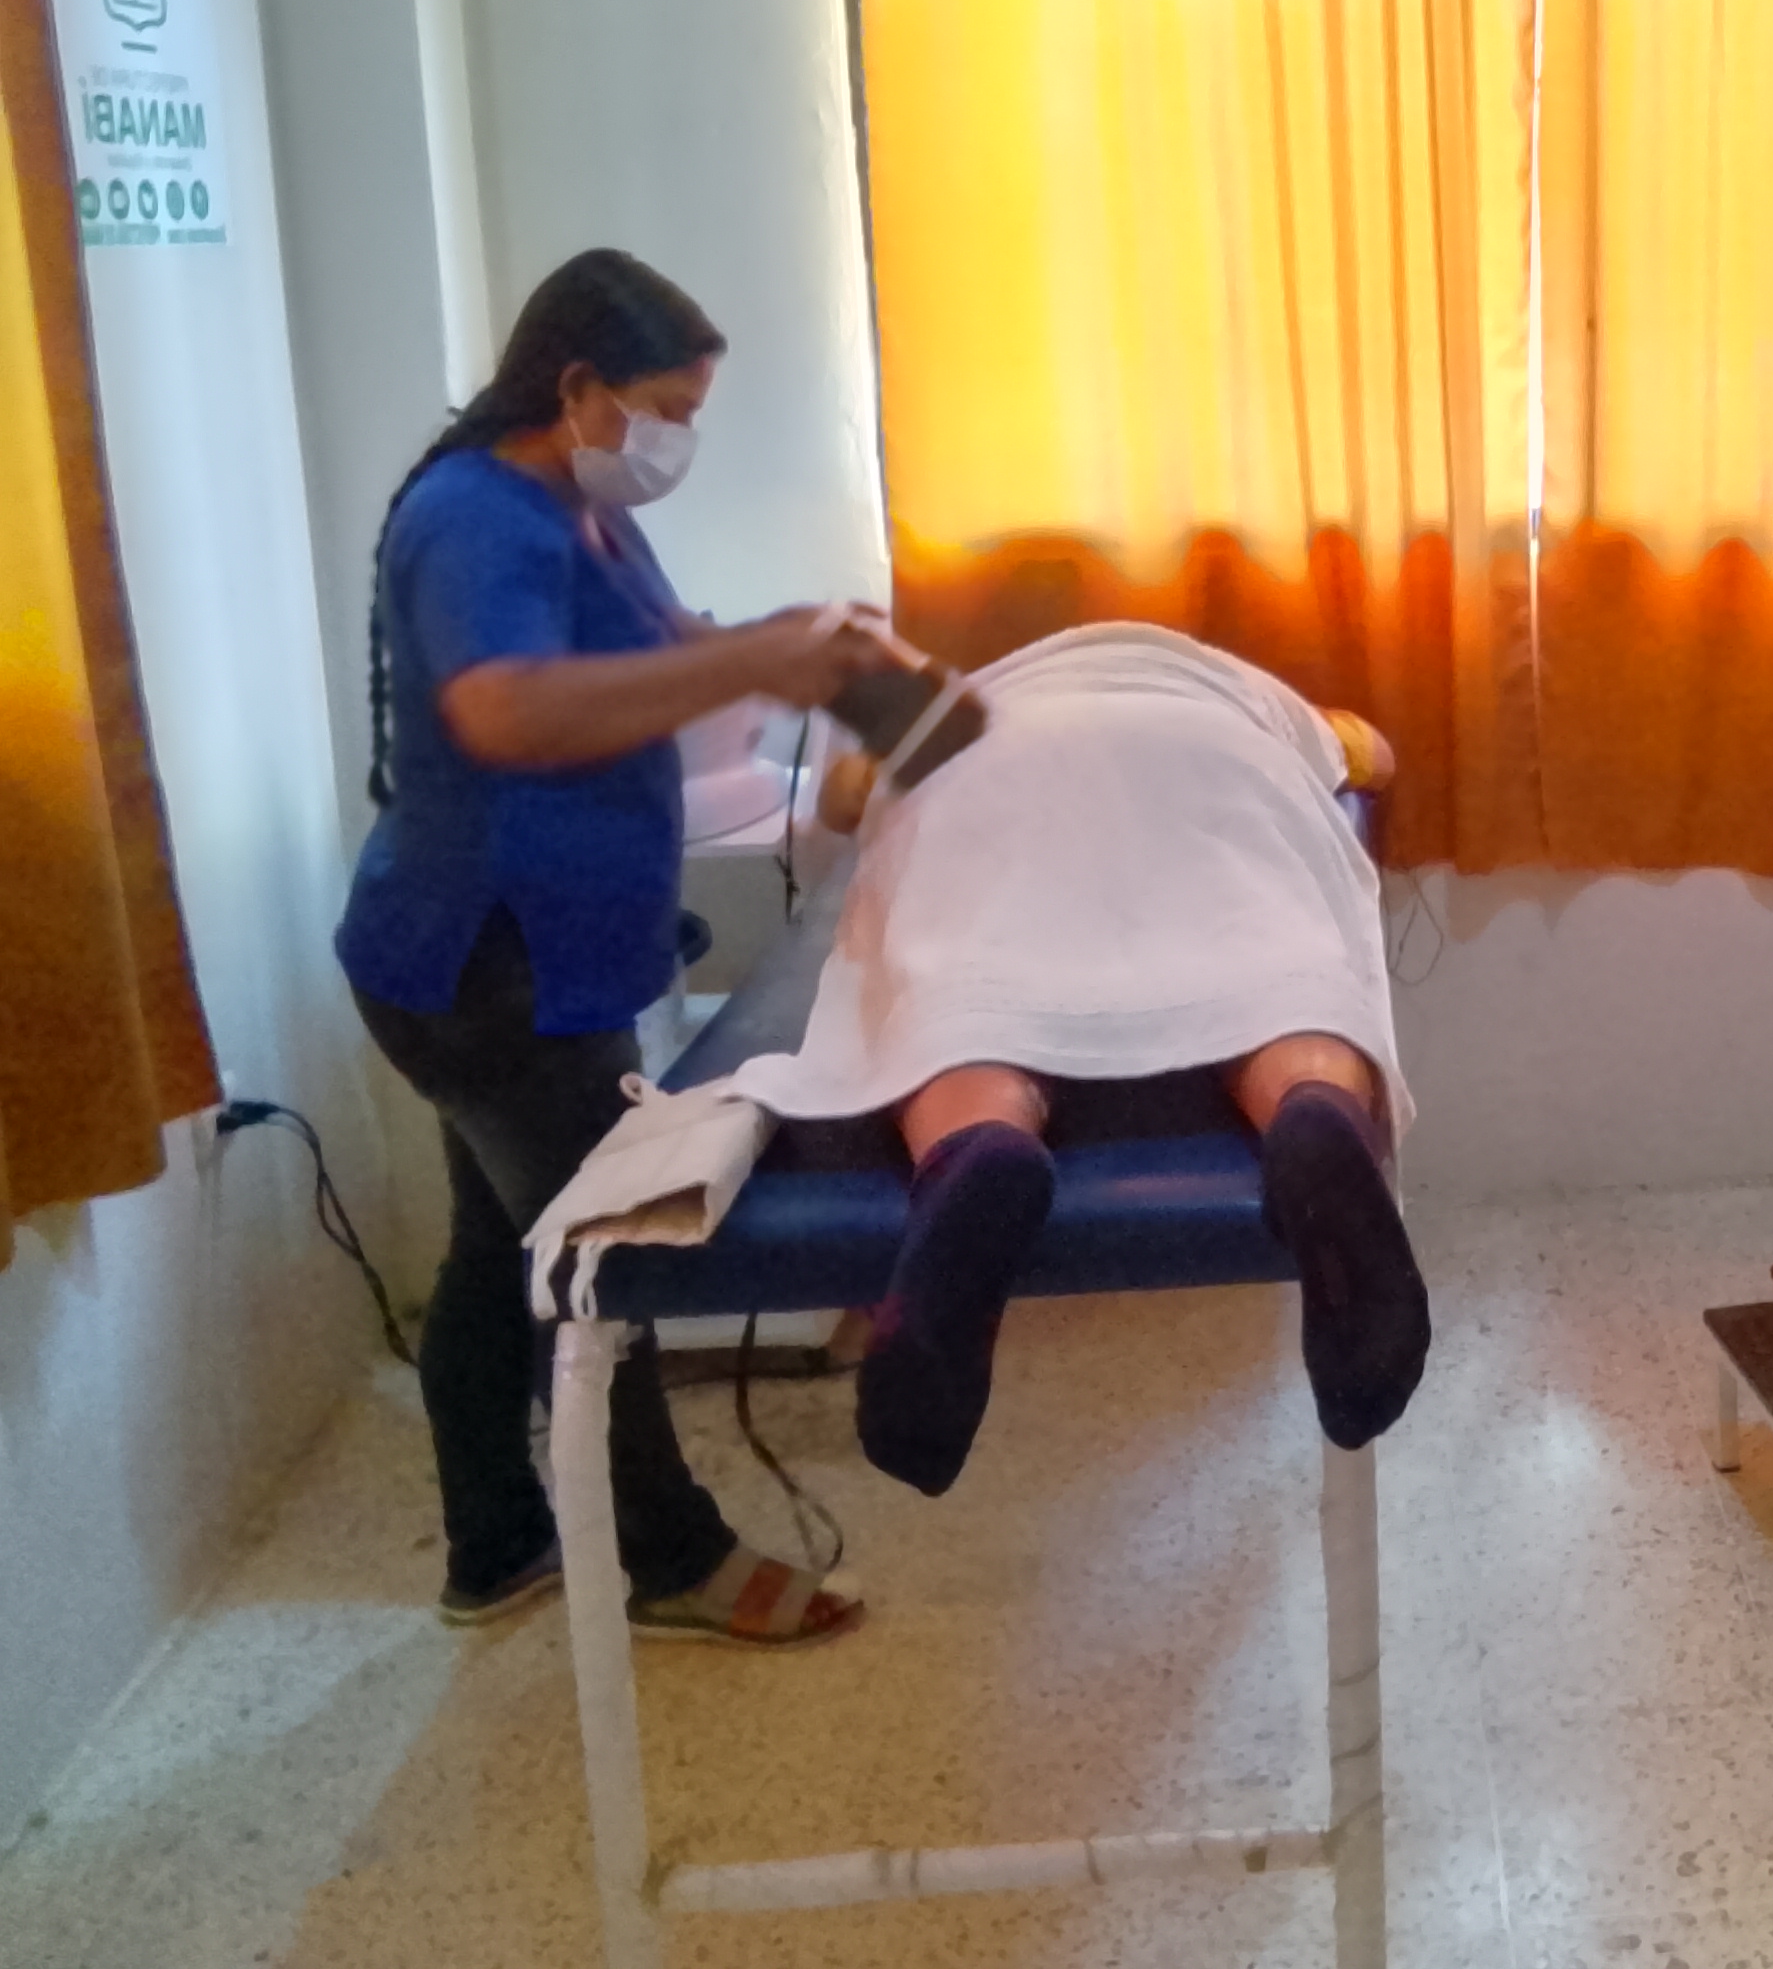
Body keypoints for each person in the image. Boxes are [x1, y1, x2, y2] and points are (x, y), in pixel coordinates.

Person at [339, 250, 888, 1643]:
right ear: (578, 386)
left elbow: (663, 646)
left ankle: (492, 1548)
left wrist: (794, 640)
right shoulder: (474, 515)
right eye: (666, 410)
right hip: (485, 971)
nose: (676, 442)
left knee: (495, 1256)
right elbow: (508, 711)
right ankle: (673, 1561)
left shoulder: (584, 513)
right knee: (605, 1266)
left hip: (542, 958)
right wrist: (750, 663)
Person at [736, 621, 1429, 1496]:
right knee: (1272, 967)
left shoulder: (958, 708)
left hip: (984, 772)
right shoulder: (1237, 691)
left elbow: (844, 796)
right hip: (1211, 757)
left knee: (964, 991)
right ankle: (1312, 1107)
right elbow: (1374, 754)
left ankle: (978, 1143)